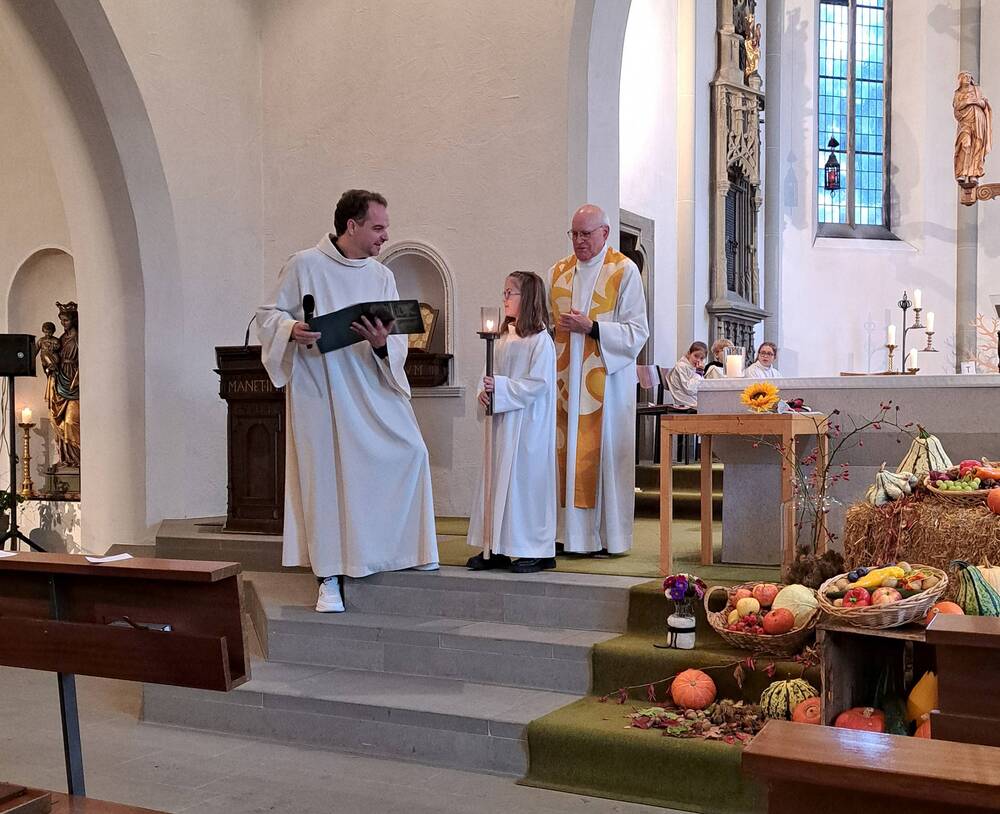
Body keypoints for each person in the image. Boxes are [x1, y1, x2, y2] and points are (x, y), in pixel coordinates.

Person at [257, 189, 438, 614]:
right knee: (328, 480)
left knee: (412, 451)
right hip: (321, 390)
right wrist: (291, 330)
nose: (385, 236)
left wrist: (381, 343)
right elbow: (268, 316)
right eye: (378, 228)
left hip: (371, 385)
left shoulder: (381, 276)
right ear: (351, 226)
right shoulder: (304, 265)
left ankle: (403, 549)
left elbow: (396, 340)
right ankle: (329, 577)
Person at [547, 204, 649, 556]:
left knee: (601, 456)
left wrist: (591, 327)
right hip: (564, 384)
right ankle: (567, 536)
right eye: (574, 234)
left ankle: (606, 539)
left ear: (605, 233)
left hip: (606, 384)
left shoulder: (624, 271)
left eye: (586, 234)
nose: (579, 241)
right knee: (564, 455)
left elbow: (637, 332)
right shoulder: (557, 273)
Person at [465, 272, 557, 574]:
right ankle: (496, 546)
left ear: (527, 298)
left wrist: (501, 388)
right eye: (503, 292)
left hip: (528, 425)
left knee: (524, 487)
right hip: (502, 424)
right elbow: (487, 373)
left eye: (510, 293)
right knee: (497, 482)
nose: (504, 298)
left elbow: (538, 384)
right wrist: (482, 392)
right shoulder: (503, 338)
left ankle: (536, 550)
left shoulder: (540, 341)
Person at [667, 341, 708, 408]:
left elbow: (702, 386)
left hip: (693, 398)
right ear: (689, 353)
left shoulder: (694, 367)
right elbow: (689, 390)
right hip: (685, 401)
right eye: (696, 356)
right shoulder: (681, 366)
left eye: (701, 358)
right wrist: (698, 373)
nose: (698, 360)